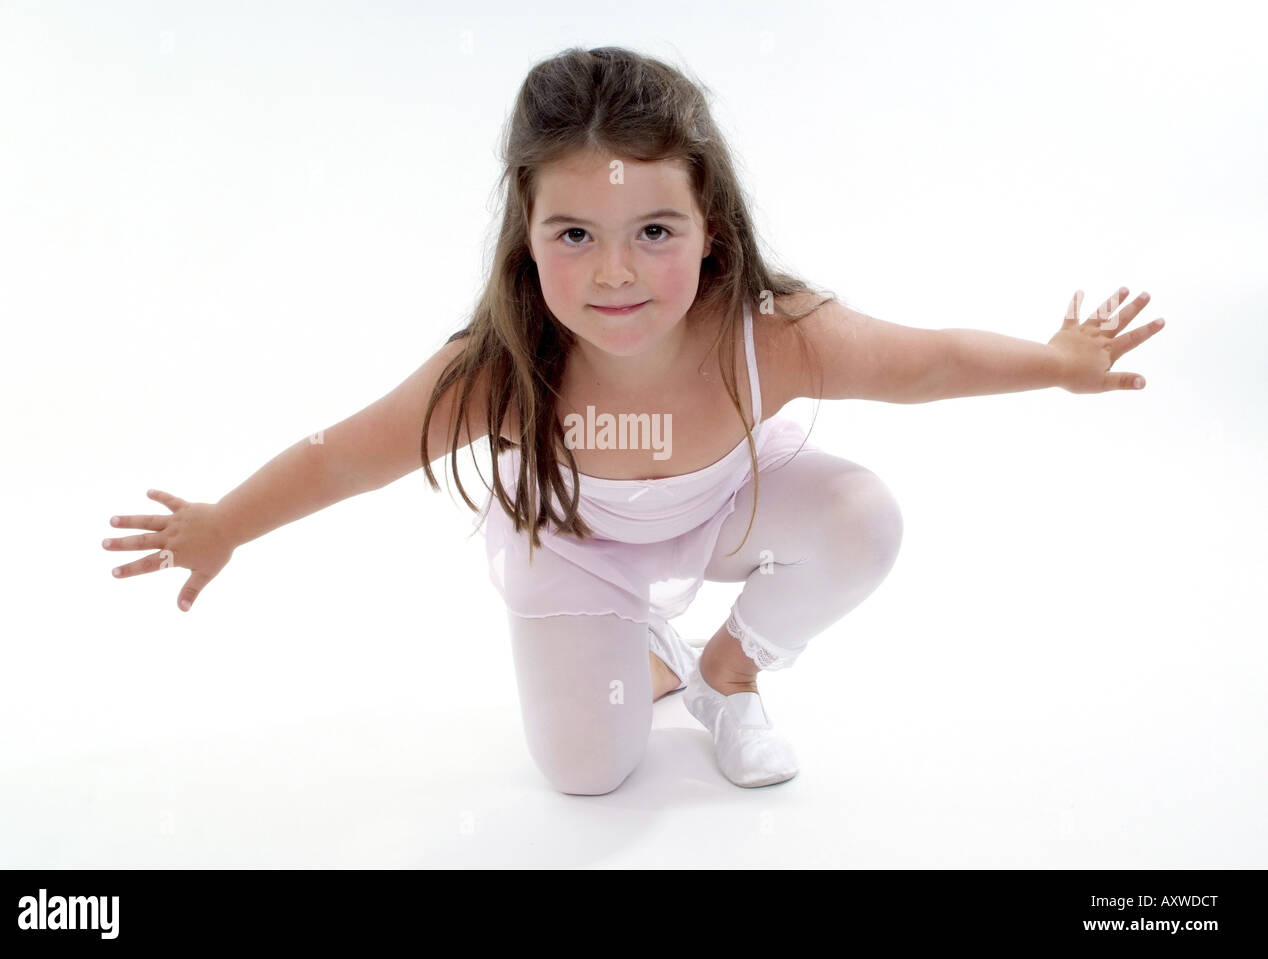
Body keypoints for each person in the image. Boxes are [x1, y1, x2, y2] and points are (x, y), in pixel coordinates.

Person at [102, 47, 1166, 796]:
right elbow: (347, 456)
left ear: (710, 223)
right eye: (574, 233)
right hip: (578, 552)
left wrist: (1057, 364)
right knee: (587, 776)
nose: (614, 271)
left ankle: (725, 672)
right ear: (526, 235)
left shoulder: (773, 334)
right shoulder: (502, 369)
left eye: (653, 228)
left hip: (724, 517)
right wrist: (226, 521)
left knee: (860, 515)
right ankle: (639, 644)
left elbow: (924, 363)